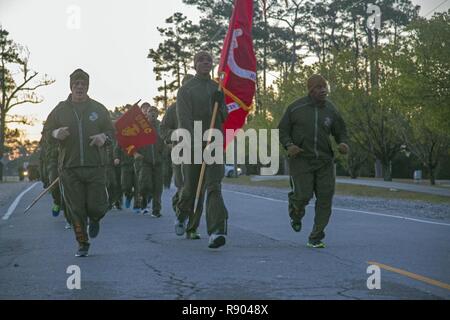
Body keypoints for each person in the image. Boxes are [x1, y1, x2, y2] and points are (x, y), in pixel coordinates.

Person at [43, 68, 114, 257]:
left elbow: (111, 132)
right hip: (69, 168)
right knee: (76, 209)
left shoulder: (98, 109)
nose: (80, 87)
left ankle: (96, 218)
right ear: (71, 87)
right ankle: (82, 243)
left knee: (97, 206)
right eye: (76, 84)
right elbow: (46, 133)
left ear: (88, 87)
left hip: (95, 166)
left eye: (83, 84)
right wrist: (55, 133)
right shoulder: (60, 110)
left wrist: (104, 137)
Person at [278, 74, 349, 248]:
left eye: (325, 87)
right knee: (303, 195)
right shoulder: (295, 108)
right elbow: (282, 130)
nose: (323, 90)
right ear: (310, 90)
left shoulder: (331, 110)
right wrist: (289, 145)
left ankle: (316, 236)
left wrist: (343, 143)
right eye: (318, 87)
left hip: (325, 160)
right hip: (301, 159)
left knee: (325, 198)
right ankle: (295, 212)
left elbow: (341, 130)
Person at [175, 51, 229, 248]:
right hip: (193, 145)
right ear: (195, 64)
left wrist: (220, 104)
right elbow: (184, 119)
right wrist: (198, 141)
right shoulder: (186, 90)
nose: (205, 63)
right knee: (190, 189)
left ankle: (216, 231)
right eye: (201, 60)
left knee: (214, 186)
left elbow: (224, 115)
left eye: (209, 60)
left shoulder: (218, 88)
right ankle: (182, 215)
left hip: (214, 144)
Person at [160, 74, 194, 214]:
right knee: (182, 186)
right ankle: (180, 213)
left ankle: (191, 223)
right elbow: (163, 129)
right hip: (179, 152)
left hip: (199, 152)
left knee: (194, 188)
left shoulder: (203, 106)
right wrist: (176, 135)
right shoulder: (173, 109)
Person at [135, 103, 164, 217]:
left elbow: (165, 141)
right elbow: (134, 141)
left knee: (157, 187)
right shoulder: (141, 126)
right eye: (150, 112)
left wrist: (164, 153)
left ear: (157, 115)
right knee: (145, 185)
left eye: (154, 112)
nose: (152, 114)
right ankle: (143, 200)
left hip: (158, 162)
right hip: (144, 161)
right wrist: (136, 153)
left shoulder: (161, 126)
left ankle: (156, 210)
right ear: (147, 114)